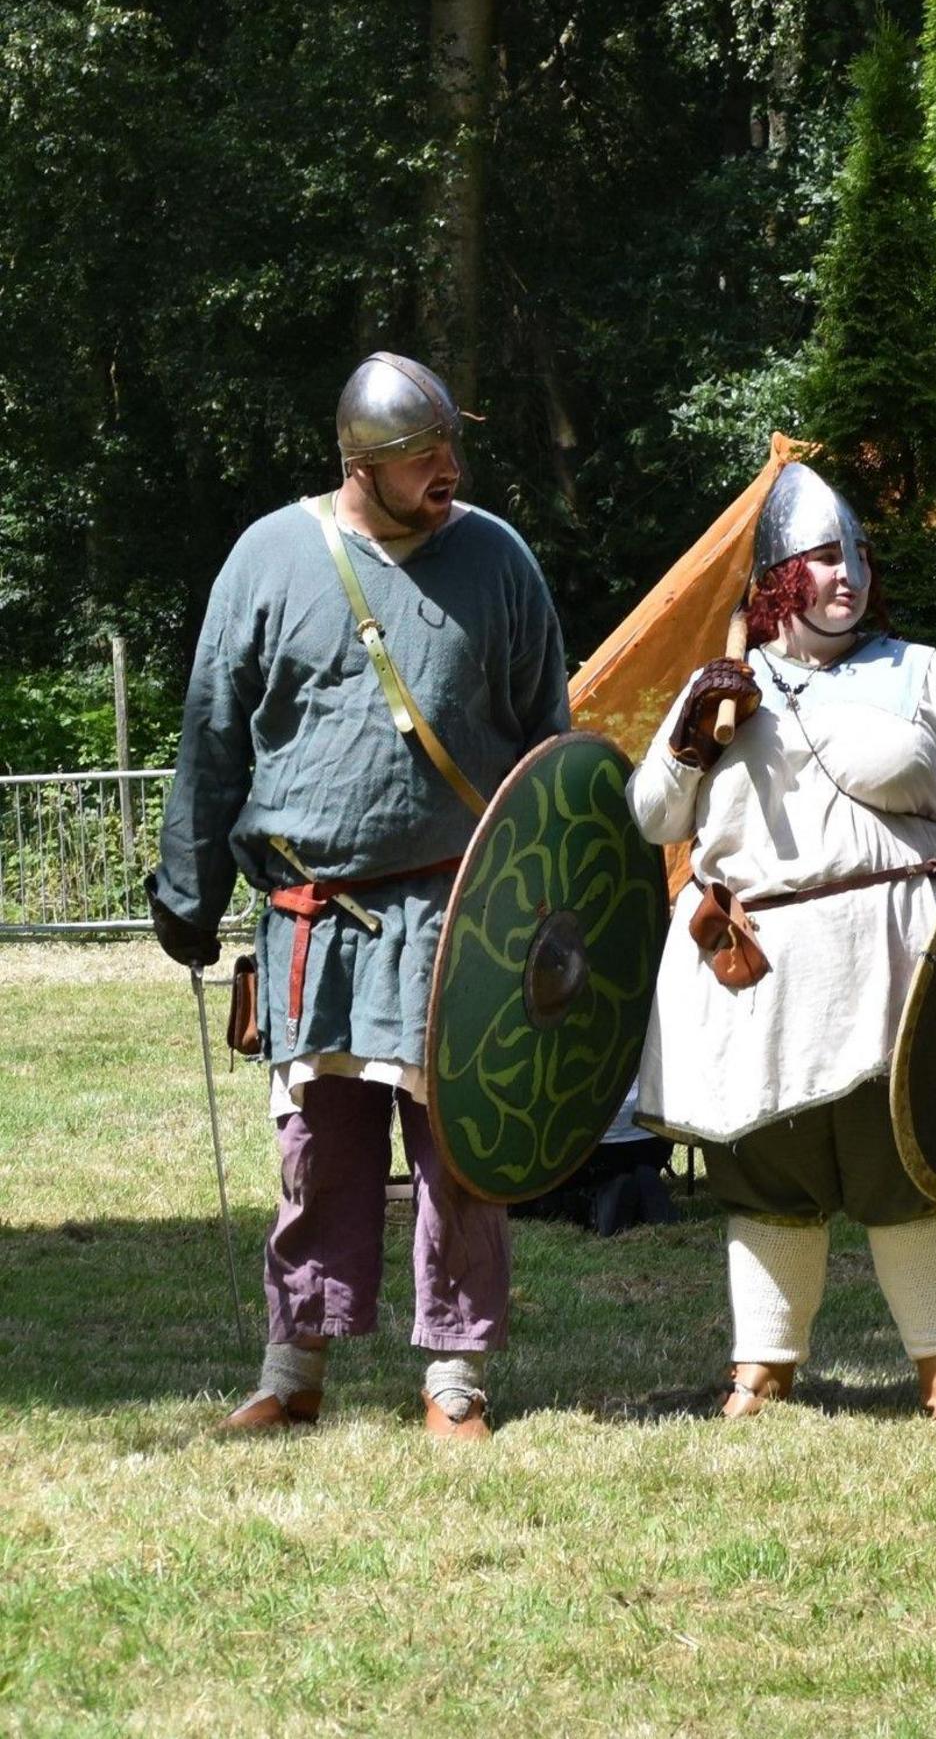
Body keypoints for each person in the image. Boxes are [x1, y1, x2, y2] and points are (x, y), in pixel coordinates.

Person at [152, 353, 571, 1438]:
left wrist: (559, 898)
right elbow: (211, 735)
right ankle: (294, 1370)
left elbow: (547, 747)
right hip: (312, 917)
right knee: (317, 1152)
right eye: (418, 456)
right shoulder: (269, 557)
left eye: (448, 448)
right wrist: (187, 886)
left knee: (459, 1150)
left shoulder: (497, 559)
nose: (448, 469)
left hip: (456, 911)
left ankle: (456, 1380)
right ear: (360, 464)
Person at [629, 462, 936, 1422]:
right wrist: (691, 740)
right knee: (770, 1167)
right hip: (760, 968)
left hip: (897, 959)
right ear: (777, 582)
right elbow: (649, 816)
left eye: (856, 557)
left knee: (908, 1159)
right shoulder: (722, 686)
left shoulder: (922, 673)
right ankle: (762, 1366)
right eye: (822, 558)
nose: (847, 575)